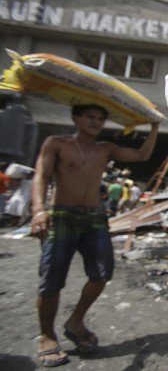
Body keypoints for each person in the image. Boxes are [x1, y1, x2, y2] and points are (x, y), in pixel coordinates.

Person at [31, 104, 159, 367]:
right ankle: (47, 335)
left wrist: (155, 125)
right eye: (90, 116)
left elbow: (143, 155)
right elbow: (41, 176)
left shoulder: (104, 148)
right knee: (51, 280)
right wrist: (39, 210)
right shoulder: (57, 143)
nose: (96, 121)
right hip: (62, 215)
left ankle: (75, 321)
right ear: (76, 118)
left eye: (101, 118)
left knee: (102, 273)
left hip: (94, 218)